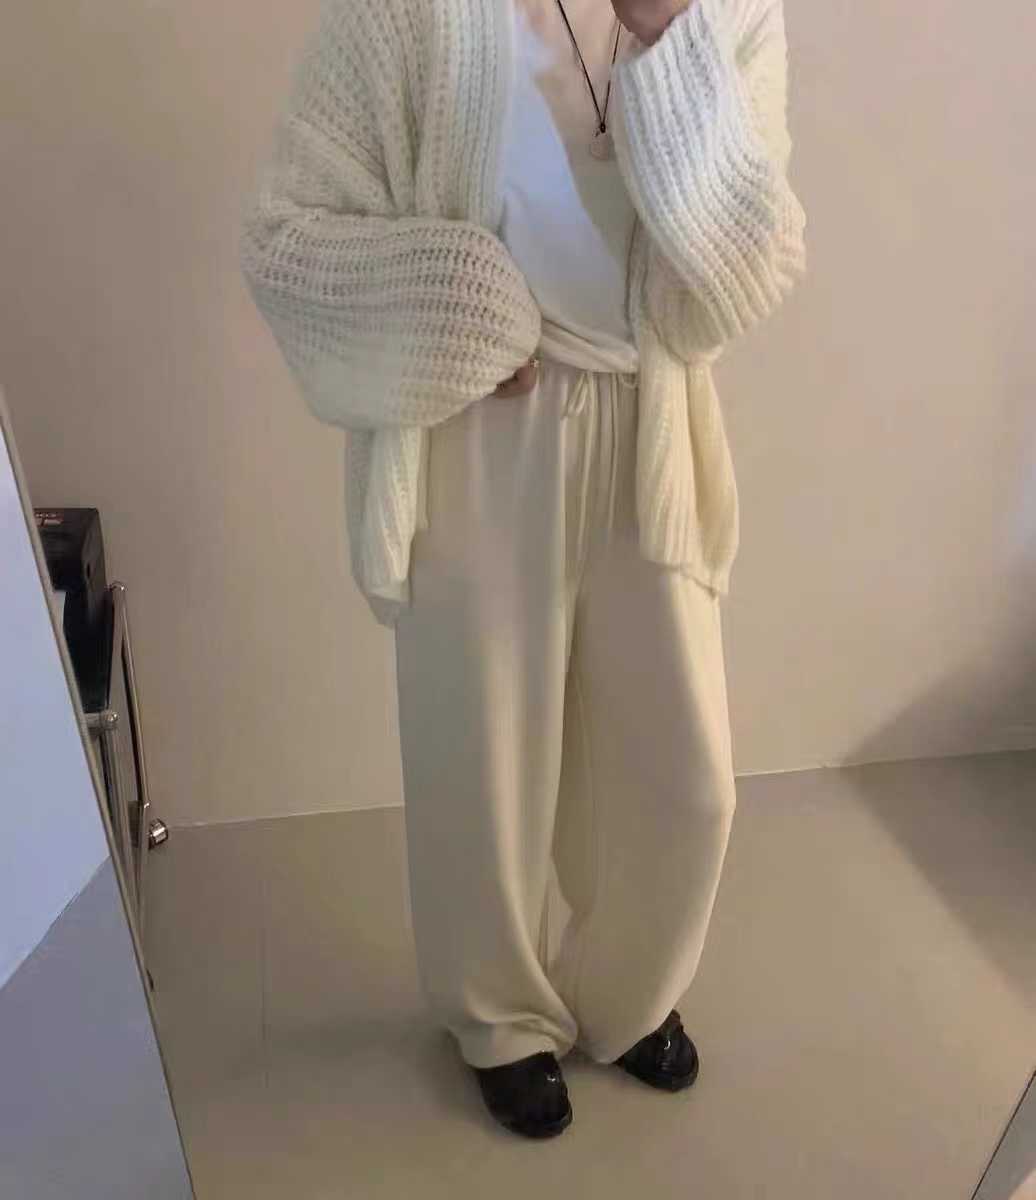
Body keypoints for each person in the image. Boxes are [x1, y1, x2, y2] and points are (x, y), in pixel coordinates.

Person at [241, 0, 805, 1139]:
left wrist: (670, 39)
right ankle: (499, 1020)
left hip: (648, 414)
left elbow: (748, 272)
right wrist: (454, 307)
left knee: (685, 775)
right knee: (482, 754)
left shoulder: (732, 12)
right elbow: (288, 234)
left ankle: (626, 995)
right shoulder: (404, 12)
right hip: (478, 427)